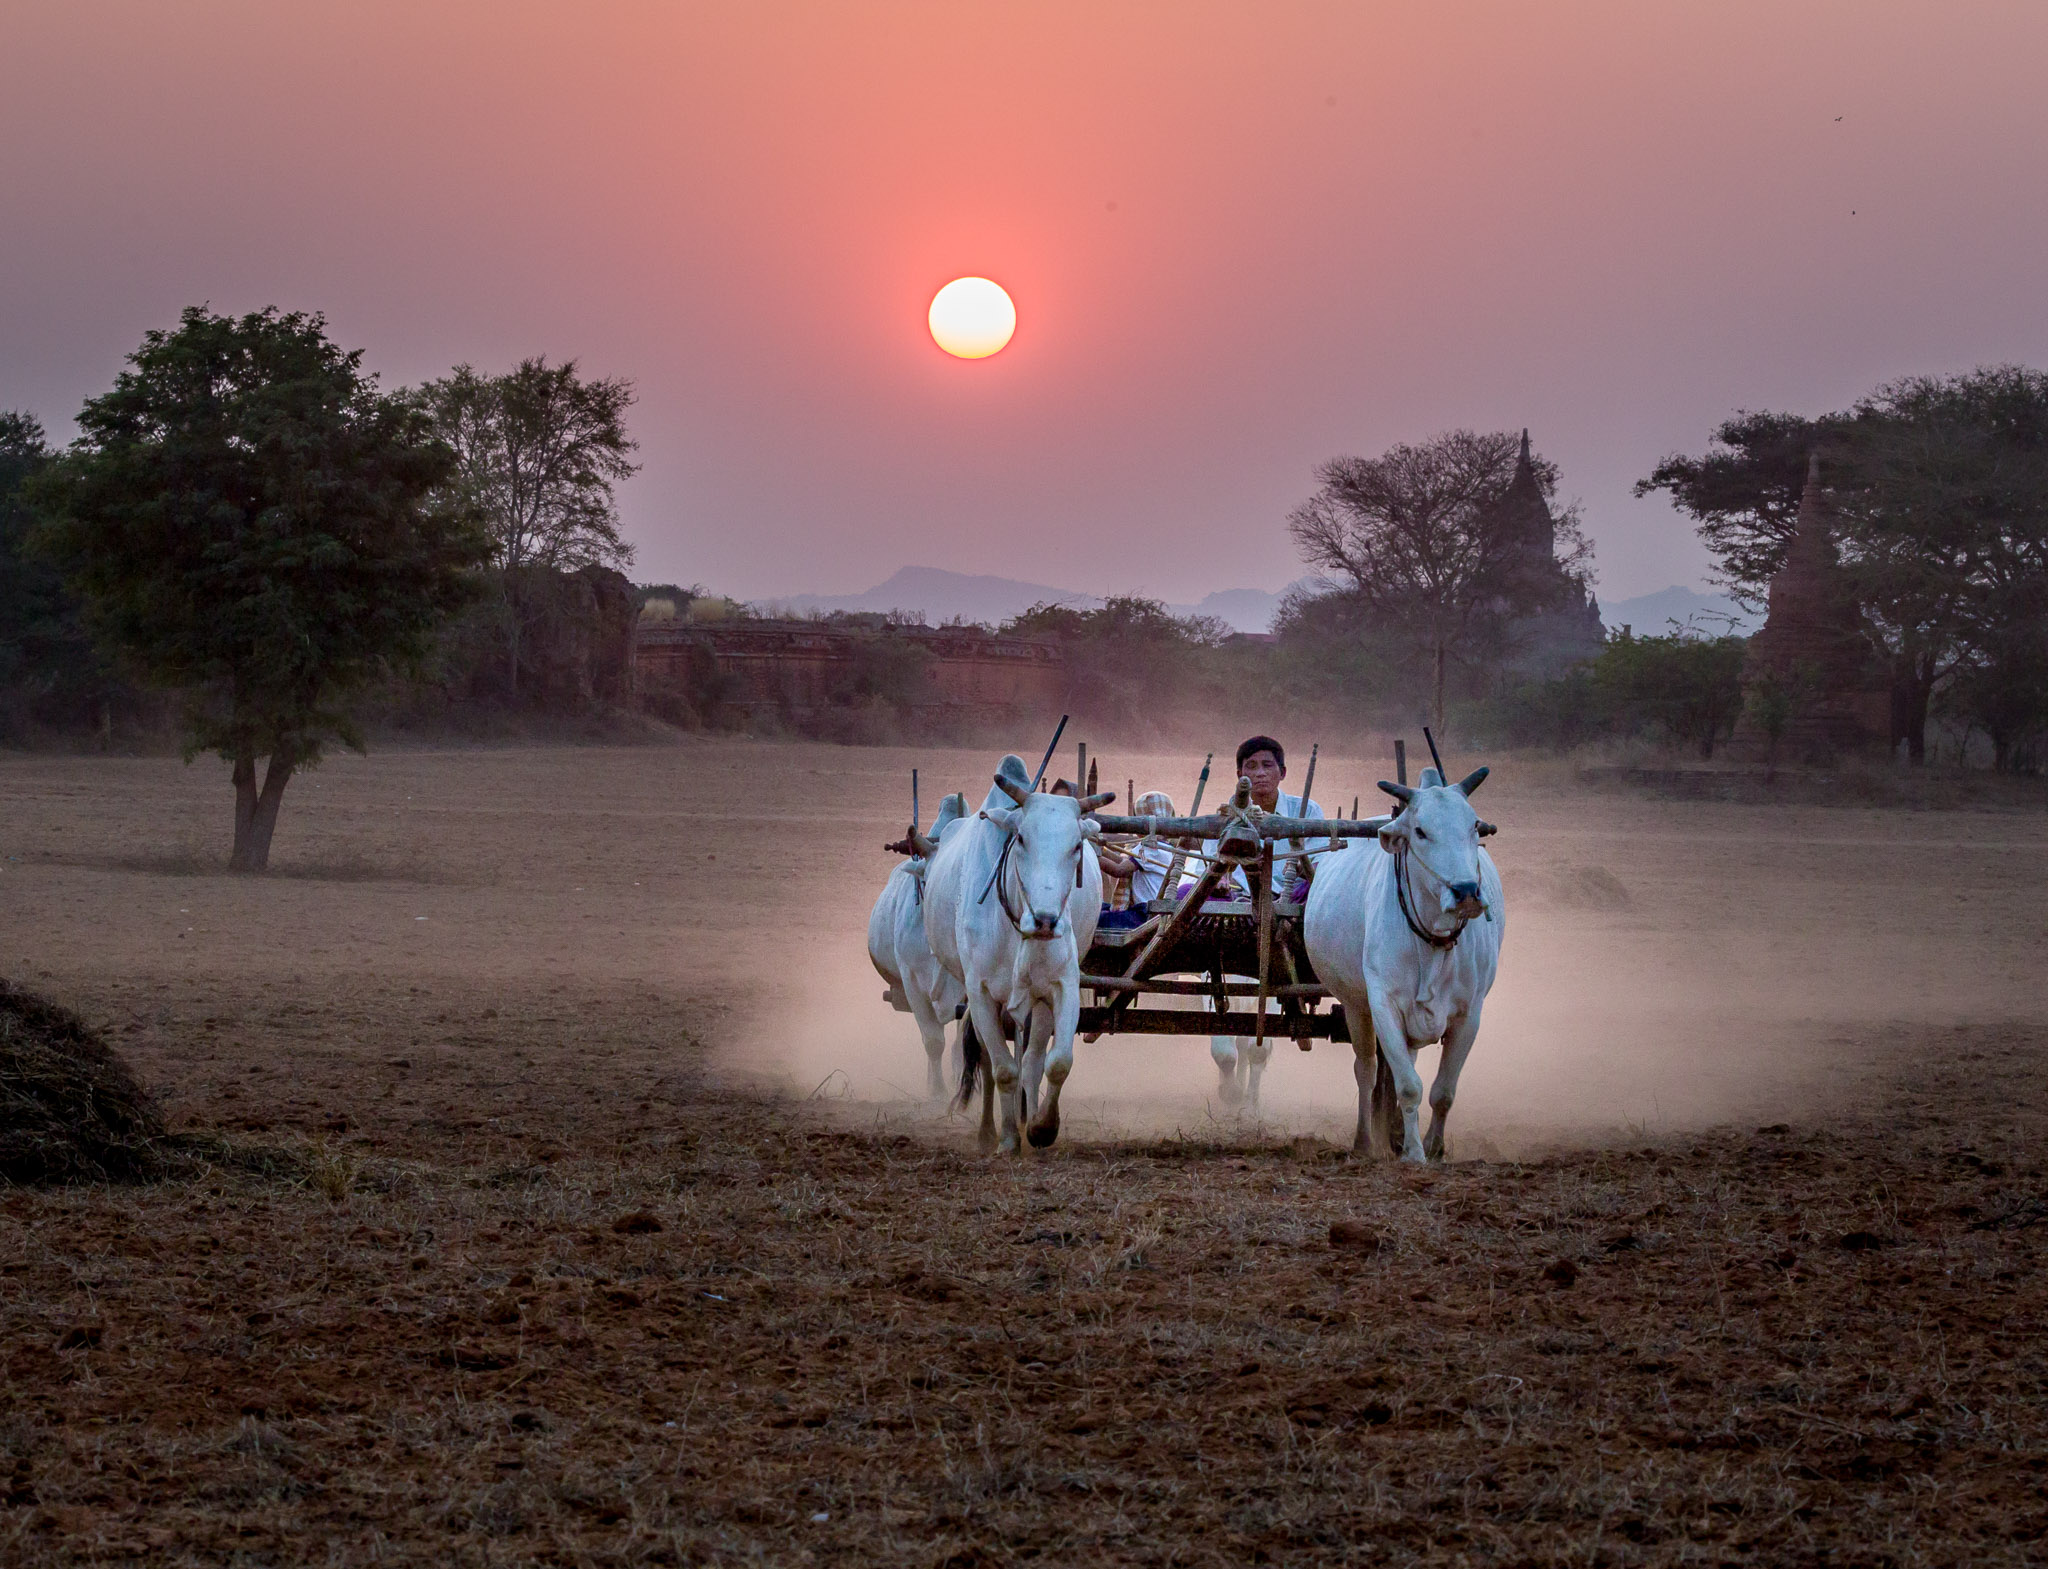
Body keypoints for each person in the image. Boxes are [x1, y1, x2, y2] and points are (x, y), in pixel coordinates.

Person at [1203, 736, 1323, 1110]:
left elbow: (1320, 866)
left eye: (1267, 766)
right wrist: (1218, 878)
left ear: (1282, 773)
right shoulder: (1225, 812)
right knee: (1212, 923)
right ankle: (1226, 1065)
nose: (1258, 774)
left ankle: (1257, 1080)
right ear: (1239, 774)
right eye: (1250, 766)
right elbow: (1209, 864)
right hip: (1237, 907)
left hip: (1290, 907)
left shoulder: (1307, 810)